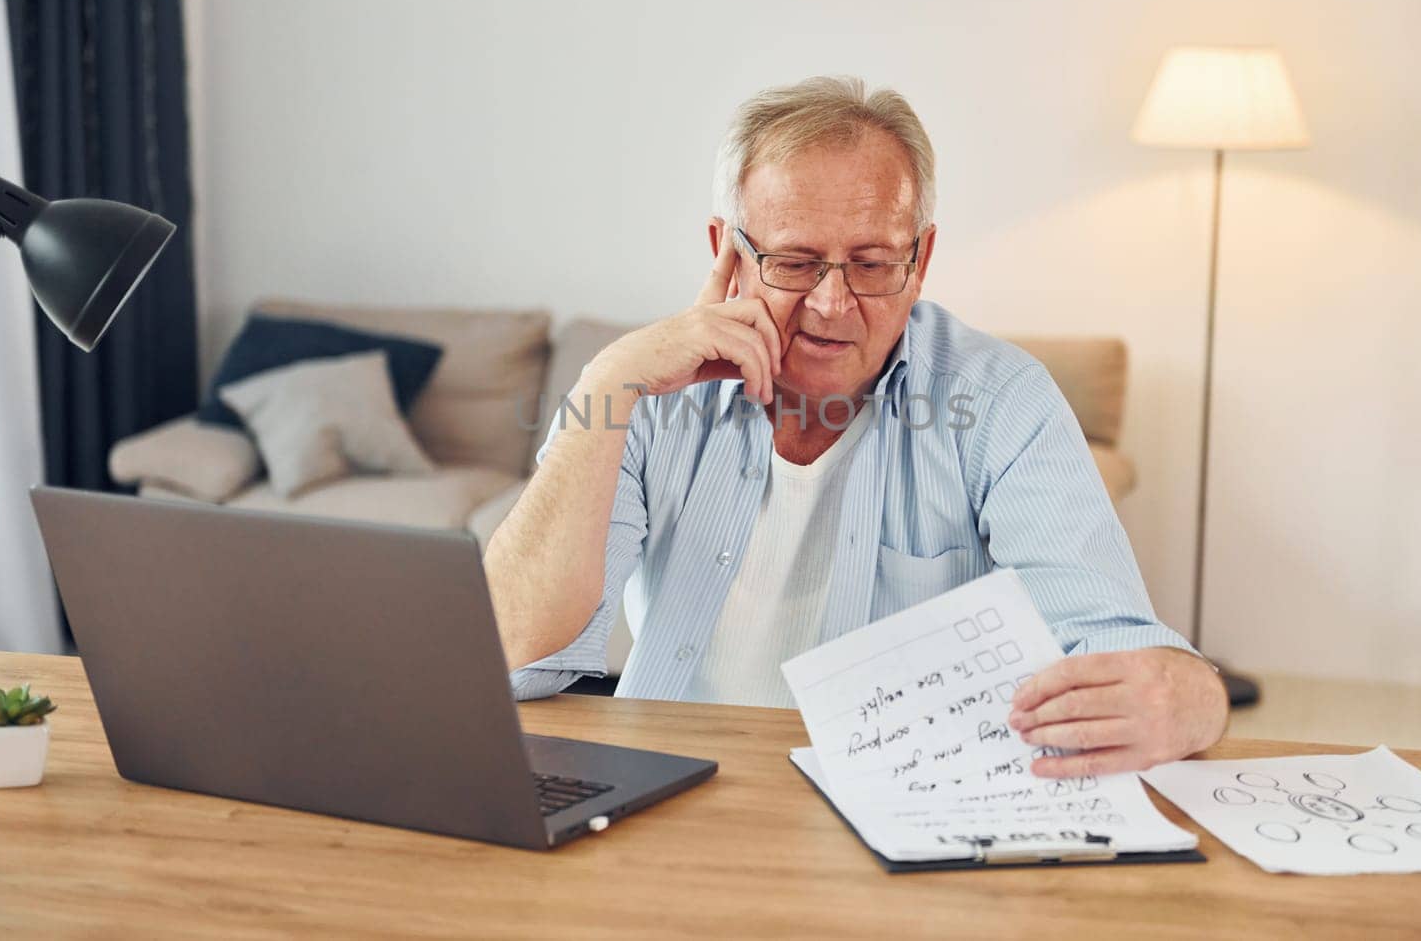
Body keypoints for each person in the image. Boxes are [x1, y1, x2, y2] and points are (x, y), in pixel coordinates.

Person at [485, 76, 1228, 778]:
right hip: (673, 797)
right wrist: (606, 382)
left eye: (871, 263)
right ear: (726, 253)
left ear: (922, 257)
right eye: (797, 262)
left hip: (911, 809)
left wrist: (1192, 698)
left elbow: (1114, 642)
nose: (833, 303)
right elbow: (513, 654)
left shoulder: (1002, 401)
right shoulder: (647, 391)